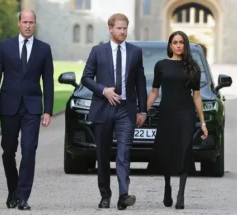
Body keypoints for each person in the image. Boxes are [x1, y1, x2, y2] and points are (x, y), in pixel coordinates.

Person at [0, 9, 54, 211]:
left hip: (32, 107)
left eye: (31, 22)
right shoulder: (5, 46)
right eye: (24, 22)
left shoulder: (44, 49)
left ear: (35, 24)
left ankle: (23, 196)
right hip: (8, 105)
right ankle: (13, 189)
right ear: (19, 23)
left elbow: (48, 81)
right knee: (8, 152)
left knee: (29, 150)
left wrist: (48, 110)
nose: (27, 25)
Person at [81, 13, 147, 210]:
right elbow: (86, 78)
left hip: (126, 110)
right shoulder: (97, 51)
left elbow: (140, 83)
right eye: (119, 28)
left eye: (125, 28)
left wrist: (142, 110)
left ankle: (124, 195)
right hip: (103, 108)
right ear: (110, 29)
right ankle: (105, 195)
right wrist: (103, 90)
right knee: (102, 154)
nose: (123, 32)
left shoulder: (135, 52)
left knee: (124, 153)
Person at [146, 31, 208, 210]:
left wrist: (202, 122)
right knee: (168, 150)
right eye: (175, 42)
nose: (179, 45)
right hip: (167, 112)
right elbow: (154, 92)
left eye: (182, 42)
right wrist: (142, 112)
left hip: (186, 114)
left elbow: (197, 97)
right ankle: (167, 186)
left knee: (185, 149)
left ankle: (181, 194)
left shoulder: (193, 67)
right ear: (170, 45)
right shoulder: (161, 65)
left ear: (185, 45)